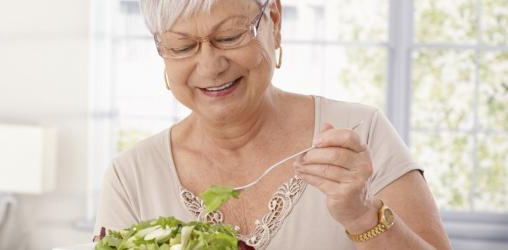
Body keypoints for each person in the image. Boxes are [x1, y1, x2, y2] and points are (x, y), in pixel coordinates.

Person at [94, 0, 452, 249]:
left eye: (230, 36)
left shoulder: (360, 132)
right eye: (183, 46)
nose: (210, 66)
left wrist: (362, 216)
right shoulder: (132, 177)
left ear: (274, 22)